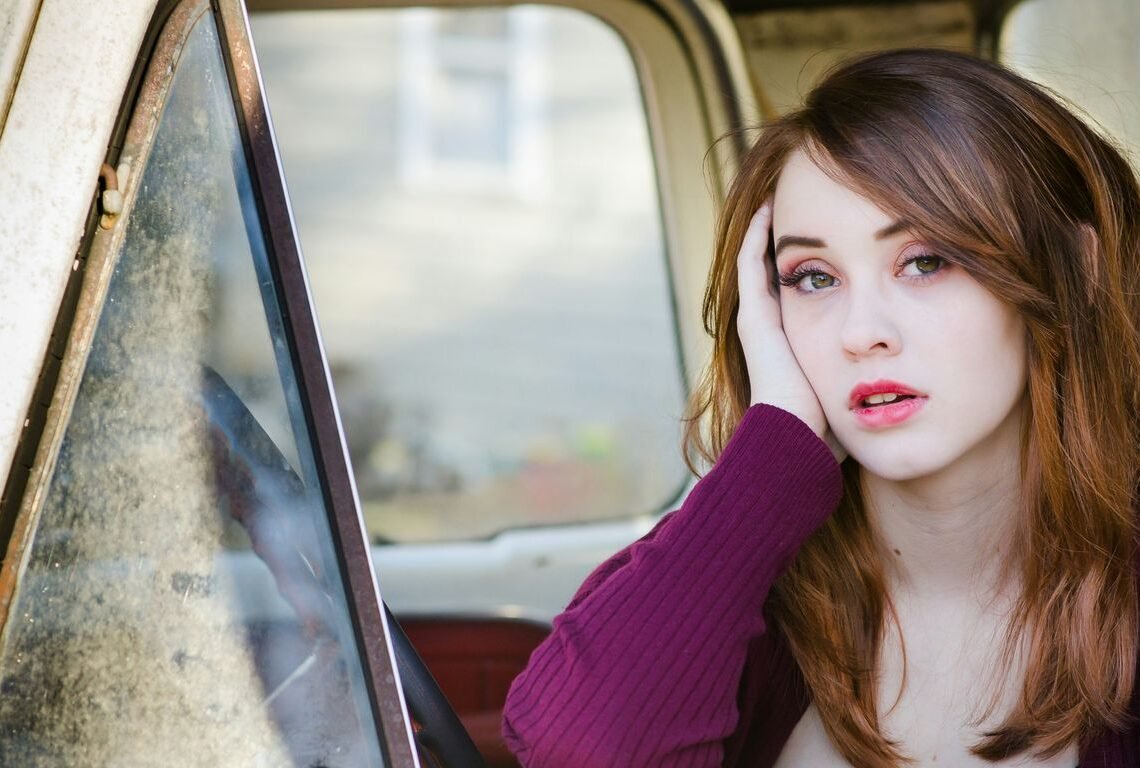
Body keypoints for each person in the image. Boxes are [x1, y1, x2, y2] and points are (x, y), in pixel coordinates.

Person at [500, 48, 1140, 767]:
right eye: (812, 278)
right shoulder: (738, 604)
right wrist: (772, 453)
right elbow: (582, 750)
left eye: (925, 261)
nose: (861, 332)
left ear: (1076, 272)